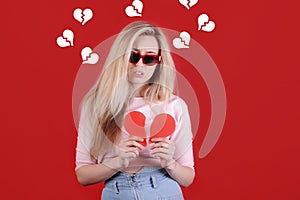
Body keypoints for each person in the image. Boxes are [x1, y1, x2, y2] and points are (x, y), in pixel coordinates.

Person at [75, 21, 195, 199]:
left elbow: (187, 178)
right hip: (116, 192)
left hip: (163, 191)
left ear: (159, 62)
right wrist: (118, 161)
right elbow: (83, 175)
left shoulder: (174, 105)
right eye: (133, 56)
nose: (140, 65)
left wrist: (170, 163)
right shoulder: (96, 105)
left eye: (149, 58)